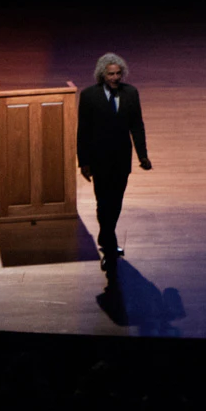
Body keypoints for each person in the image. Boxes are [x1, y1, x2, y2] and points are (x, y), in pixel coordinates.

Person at [77, 52, 150, 269]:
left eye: (118, 73)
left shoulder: (131, 93)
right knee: (103, 202)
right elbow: (84, 131)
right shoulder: (89, 95)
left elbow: (137, 125)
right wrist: (84, 162)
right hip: (99, 159)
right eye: (111, 74)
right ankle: (109, 245)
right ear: (102, 74)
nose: (115, 78)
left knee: (116, 201)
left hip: (121, 158)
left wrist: (143, 155)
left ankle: (106, 235)